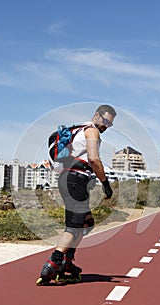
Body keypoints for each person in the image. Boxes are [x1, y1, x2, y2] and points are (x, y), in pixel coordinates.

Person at [37, 104, 117, 284]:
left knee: (86, 223)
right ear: (96, 115)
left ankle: (67, 261)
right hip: (75, 180)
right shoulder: (92, 131)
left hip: (68, 180)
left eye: (109, 125)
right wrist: (105, 183)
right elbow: (94, 159)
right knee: (73, 227)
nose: (105, 126)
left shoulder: (79, 129)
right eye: (104, 121)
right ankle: (53, 262)